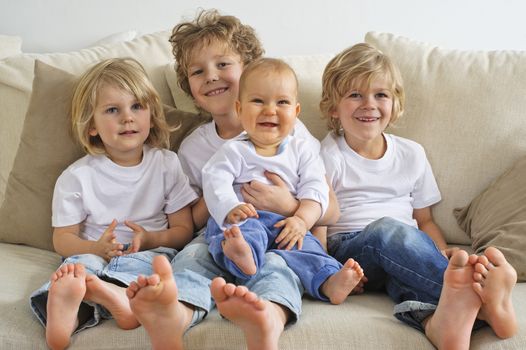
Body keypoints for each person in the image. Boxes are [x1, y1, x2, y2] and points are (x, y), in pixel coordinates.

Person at [125, 9, 355, 350]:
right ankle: (176, 317)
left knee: (280, 266)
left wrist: (288, 205)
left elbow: (330, 210)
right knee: (191, 261)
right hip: (223, 234)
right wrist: (225, 196)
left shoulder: (292, 132)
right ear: (188, 85)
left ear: (248, 69)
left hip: (281, 232)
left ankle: (269, 318)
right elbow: (190, 221)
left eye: (222, 65)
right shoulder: (194, 146)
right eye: (198, 71)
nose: (211, 76)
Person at [319, 42, 517, 350]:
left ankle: (439, 325)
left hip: (404, 250)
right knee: (387, 230)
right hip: (351, 253)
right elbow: (317, 219)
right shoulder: (327, 154)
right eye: (355, 94)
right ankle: (482, 299)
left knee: (405, 279)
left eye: (380, 94)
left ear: (395, 103)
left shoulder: (411, 153)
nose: (369, 104)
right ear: (333, 106)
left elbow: (424, 221)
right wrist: (328, 272)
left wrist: (439, 256)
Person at [29, 58, 197, 350]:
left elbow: (184, 229)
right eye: (112, 110)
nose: (127, 118)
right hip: (93, 254)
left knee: (152, 273)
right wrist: (95, 249)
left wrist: (150, 239)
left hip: (148, 253)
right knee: (76, 272)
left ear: (152, 115)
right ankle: (67, 314)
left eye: (137, 107)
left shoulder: (167, 164)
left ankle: (110, 295)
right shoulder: (78, 176)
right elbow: (62, 239)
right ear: (91, 126)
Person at [202, 57, 363, 303]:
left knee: (307, 248)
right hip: (245, 217)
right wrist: (229, 208)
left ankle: (330, 282)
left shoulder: (303, 151)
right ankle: (244, 258)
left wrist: (301, 220)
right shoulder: (233, 150)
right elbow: (215, 181)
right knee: (236, 234)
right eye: (258, 101)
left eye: (282, 102)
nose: (270, 110)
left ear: (296, 112)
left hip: (286, 223)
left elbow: (315, 189)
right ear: (239, 109)